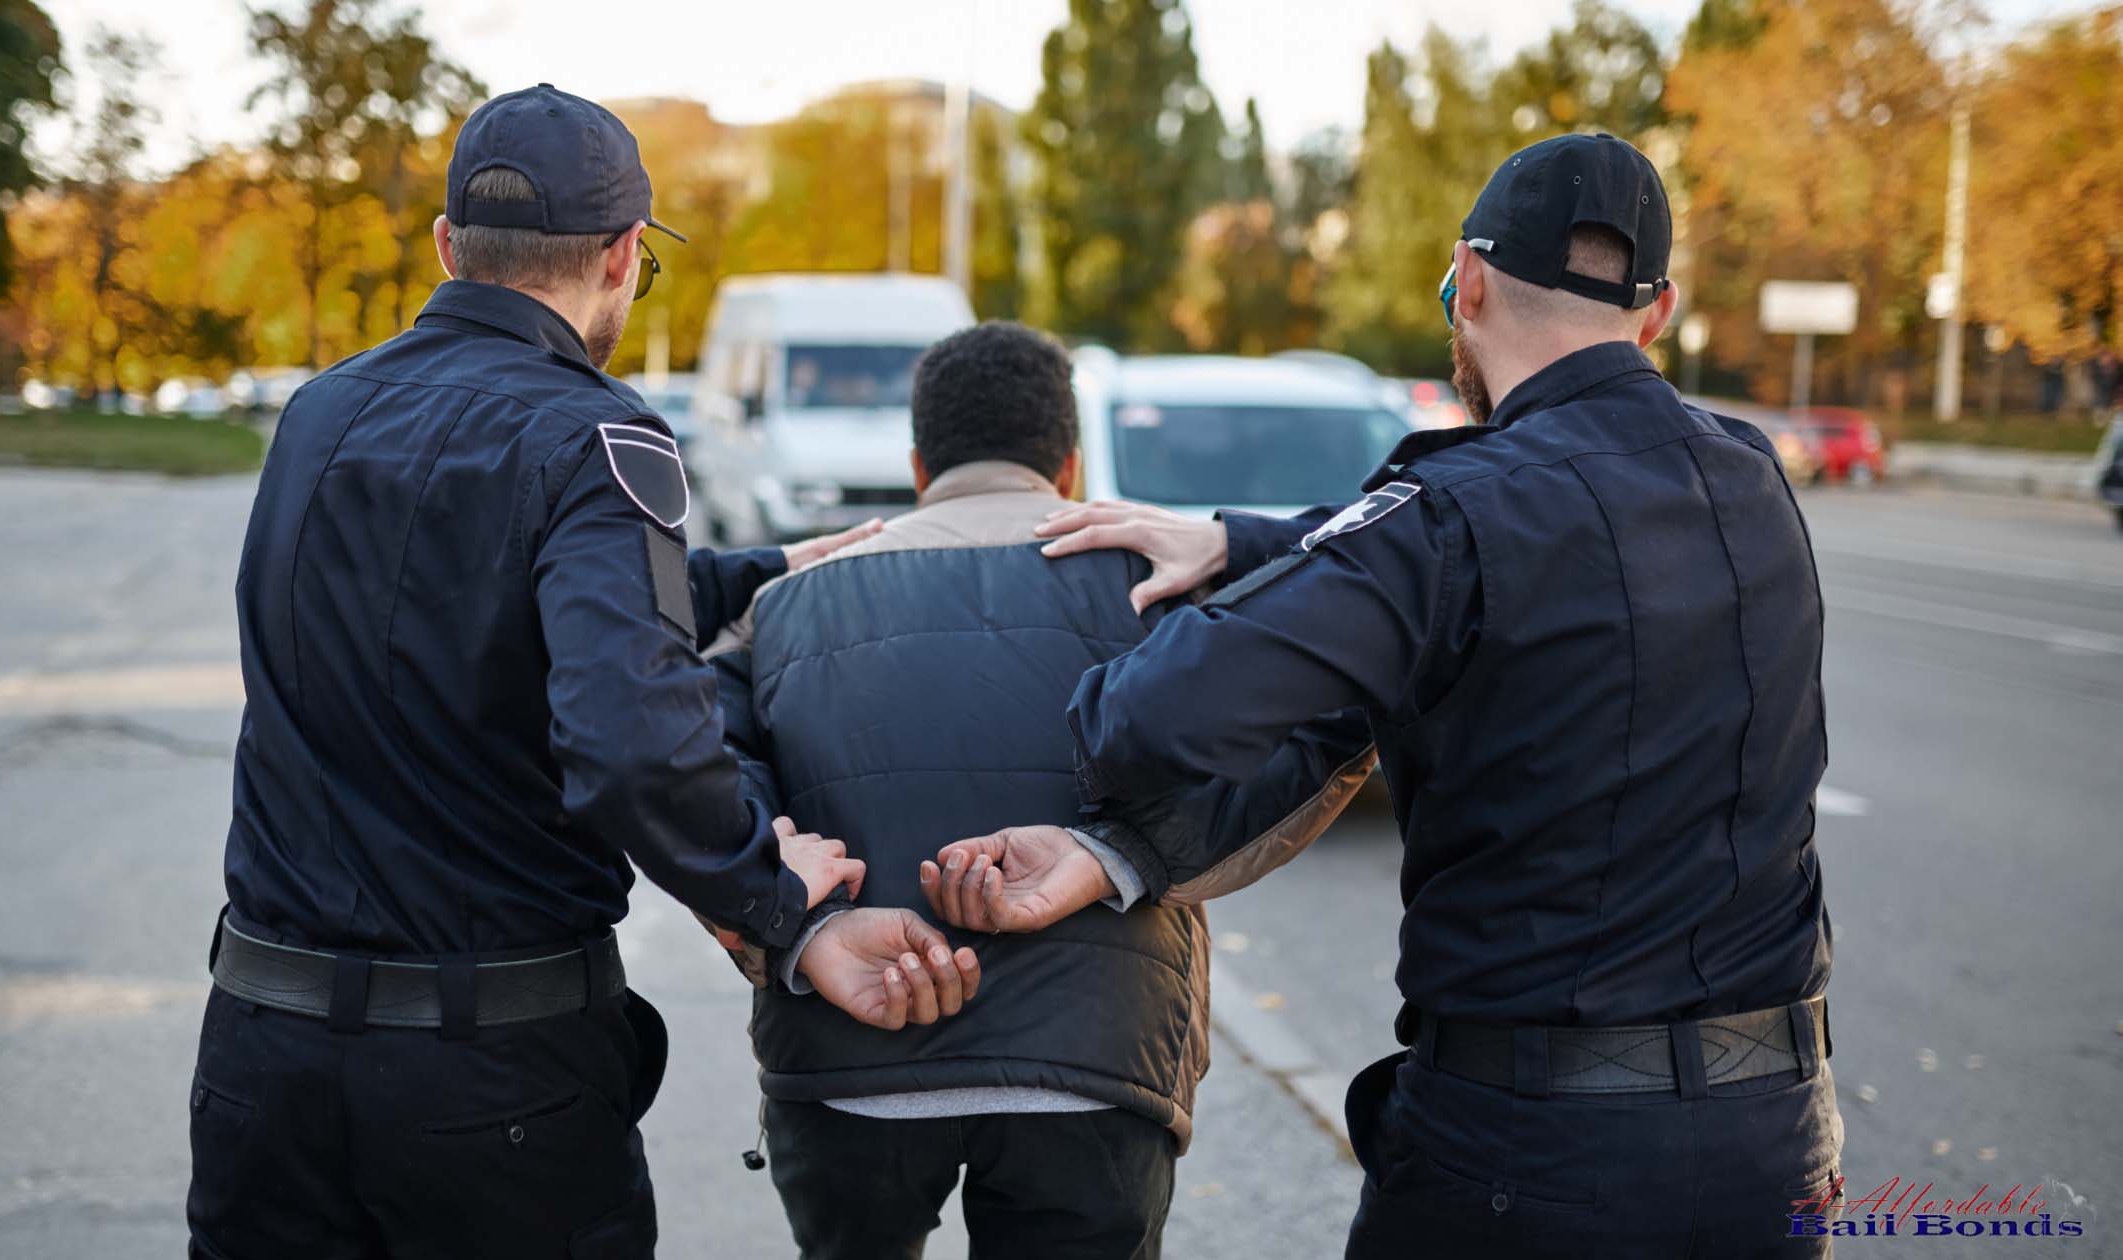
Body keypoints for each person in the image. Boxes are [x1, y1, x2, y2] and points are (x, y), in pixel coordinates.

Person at [930, 133, 1843, 1259]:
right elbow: (1539, 536)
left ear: (1465, 279)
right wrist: (1244, 538)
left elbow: (1146, 719)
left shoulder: (1449, 516)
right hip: (1776, 1139)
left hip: (1533, 1154)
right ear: (1653, 315)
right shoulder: (1747, 469)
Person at [188, 84, 979, 1260]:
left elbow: (451, 603)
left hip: (262, 1052)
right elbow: (626, 738)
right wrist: (766, 890)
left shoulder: (319, 413)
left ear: (450, 246)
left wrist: (756, 570)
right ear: (619, 258)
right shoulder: (593, 434)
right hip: (488, 1085)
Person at [702, 321, 1374, 1260]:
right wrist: (1123, 855)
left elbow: (697, 788)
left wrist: (800, 934)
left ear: (916, 461)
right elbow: (1323, 724)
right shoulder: (1162, 580)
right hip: (1096, 1059)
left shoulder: (783, 605)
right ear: (1067, 463)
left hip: (845, 1056)